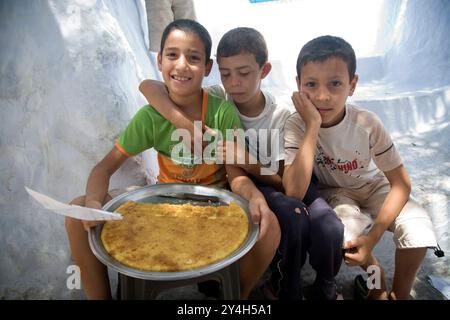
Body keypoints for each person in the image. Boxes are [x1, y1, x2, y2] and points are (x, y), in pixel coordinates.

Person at [64, 19, 280, 300]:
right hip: (162, 204)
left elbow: (235, 174)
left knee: (270, 225)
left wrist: (254, 196)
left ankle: (235, 296)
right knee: (75, 211)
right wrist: (94, 202)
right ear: (159, 60)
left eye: (193, 57)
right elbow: (104, 167)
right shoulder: (150, 117)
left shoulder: (220, 112)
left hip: (213, 207)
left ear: (207, 68)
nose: (181, 65)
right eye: (172, 55)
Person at [138, 27, 344, 300]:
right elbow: (148, 86)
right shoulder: (217, 99)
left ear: (265, 70)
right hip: (245, 186)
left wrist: (246, 161)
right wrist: (184, 124)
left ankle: (310, 284)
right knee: (291, 214)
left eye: (244, 73)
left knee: (320, 222)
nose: (234, 82)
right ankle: (280, 283)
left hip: (278, 179)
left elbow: (284, 182)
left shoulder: (279, 116)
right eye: (226, 74)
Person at [283, 35, 437, 300]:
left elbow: (401, 184)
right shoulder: (297, 125)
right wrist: (313, 126)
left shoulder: (367, 123)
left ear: (352, 85)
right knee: (347, 237)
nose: (322, 96)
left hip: (374, 186)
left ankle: (399, 294)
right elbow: (294, 191)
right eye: (311, 84)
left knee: (418, 228)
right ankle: (376, 283)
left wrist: (375, 236)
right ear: (298, 85)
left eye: (335, 84)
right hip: (336, 193)